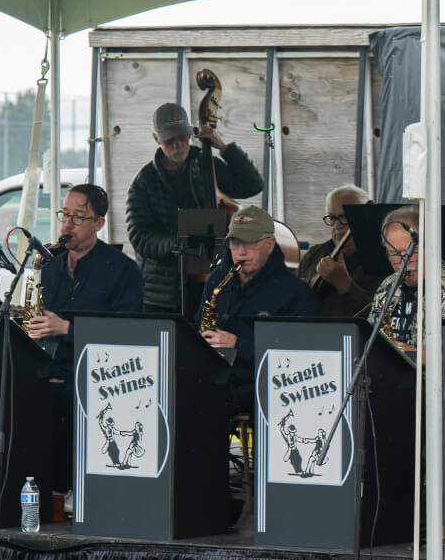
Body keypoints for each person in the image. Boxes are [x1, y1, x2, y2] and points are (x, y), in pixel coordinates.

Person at [126, 101, 265, 316]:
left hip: (212, 279)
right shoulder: (144, 181)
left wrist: (225, 148)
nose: (179, 144)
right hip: (164, 290)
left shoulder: (207, 163)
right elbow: (139, 236)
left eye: (183, 136)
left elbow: (253, 185)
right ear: (156, 139)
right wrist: (179, 243)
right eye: (170, 140)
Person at [26, 184, 143, 378]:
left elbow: (128, 334)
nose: (67, 224)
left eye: (78, 217)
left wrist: (67, 329)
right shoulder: (49, 266)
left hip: (100, 375)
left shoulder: (124, 269)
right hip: (48, 370)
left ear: (99, 223)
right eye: (65, 214)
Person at [197, 205, 317, 375]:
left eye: (249, 242)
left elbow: (297, 361)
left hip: (259, 387)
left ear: (269, 245)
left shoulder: (298, 294)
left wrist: (238, 345)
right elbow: (198, 324)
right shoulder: (218, 278)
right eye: (235, 242)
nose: (241, 251)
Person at [366, 207, 445, 348]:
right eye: (394, 253)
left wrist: (413, 357)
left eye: (411, 251)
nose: (403, 260)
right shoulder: (388, 285)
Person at [298, 185, 376, 318]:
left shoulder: (383, 258)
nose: (337, 225)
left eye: (344, 216)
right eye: (332, 218)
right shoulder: (314, 254)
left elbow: (383, 317)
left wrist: (346, 285)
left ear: (365, 217)